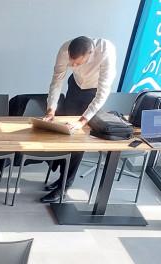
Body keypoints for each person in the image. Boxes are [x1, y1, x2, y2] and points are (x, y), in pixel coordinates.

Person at [40, 35, 117, 203]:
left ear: (90, 54)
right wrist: (51, 110)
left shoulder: (106, 51)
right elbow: (57, 80)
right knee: (63, 133)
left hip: (93, 91)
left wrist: (83, 120)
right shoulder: (64, 49)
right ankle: (61, 177)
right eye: (71, 63)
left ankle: (64, 186)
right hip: (75, 86)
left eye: (78, 63)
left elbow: (103, 92)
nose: (73, 66)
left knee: (78, 138)